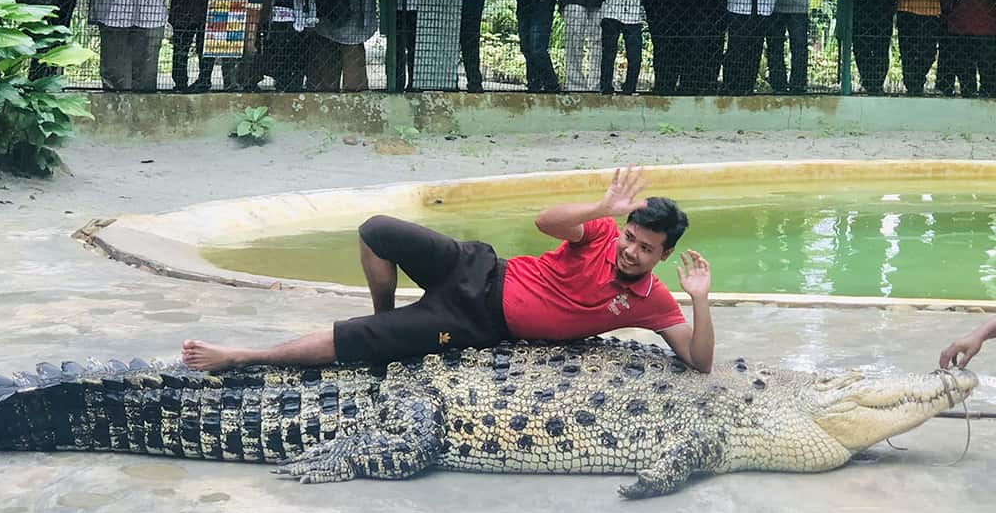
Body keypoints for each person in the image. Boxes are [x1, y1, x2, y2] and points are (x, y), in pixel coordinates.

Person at [181, 166, 715, 375]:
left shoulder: (652, 301)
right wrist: (602, 210)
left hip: (476, 322)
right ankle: (385, 321)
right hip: (477, 265)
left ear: (662, 256)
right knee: (376, 230)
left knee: (359, 340)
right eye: (631, 238)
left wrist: (699, 299)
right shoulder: (602, 233)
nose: (630, 252)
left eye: (645, 248)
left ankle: (242, 355)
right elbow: (545, 221)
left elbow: (699, 361)